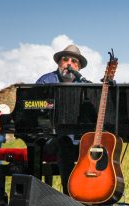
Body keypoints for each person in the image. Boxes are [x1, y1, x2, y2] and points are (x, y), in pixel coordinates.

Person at [36, 44, 89, 194]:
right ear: (59, 63)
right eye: (65, 59)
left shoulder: (85, 85)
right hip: (50, 139)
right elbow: (32, 109)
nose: (69, 63)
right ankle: (69, 195)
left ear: (79, 68)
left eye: (74, 61)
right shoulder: (46, 81)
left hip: (79, 140)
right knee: (65, 142)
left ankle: (96, 195)